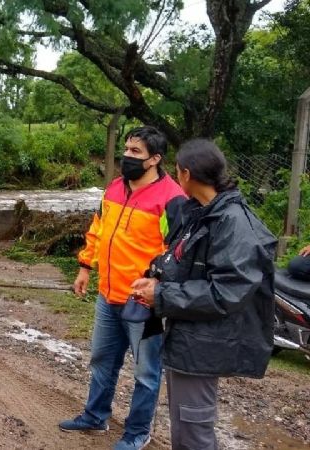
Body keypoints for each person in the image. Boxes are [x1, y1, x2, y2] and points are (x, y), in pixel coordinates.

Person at [131, 139, 276, 450]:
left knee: (193, 432)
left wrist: (163, 296)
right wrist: (156, 278)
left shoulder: (232, 221)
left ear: (186, 174)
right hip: (188, 338)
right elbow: (185, 262)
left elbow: (227, 290)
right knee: (185, 428)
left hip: (203, 345)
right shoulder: (202, 212)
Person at [59, 126, 186, 450]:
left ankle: (137, 433)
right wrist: (85, 266)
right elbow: (98, 230)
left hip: (143, 303)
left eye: (135, 152)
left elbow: (179, 251)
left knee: (146, 372)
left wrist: (158, 286)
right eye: (127, 149)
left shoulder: (172, 199)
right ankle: (95, 415)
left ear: (155, 159)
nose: (127, 156)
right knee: (102, 359)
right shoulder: (115, 188)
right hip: (108, 294)